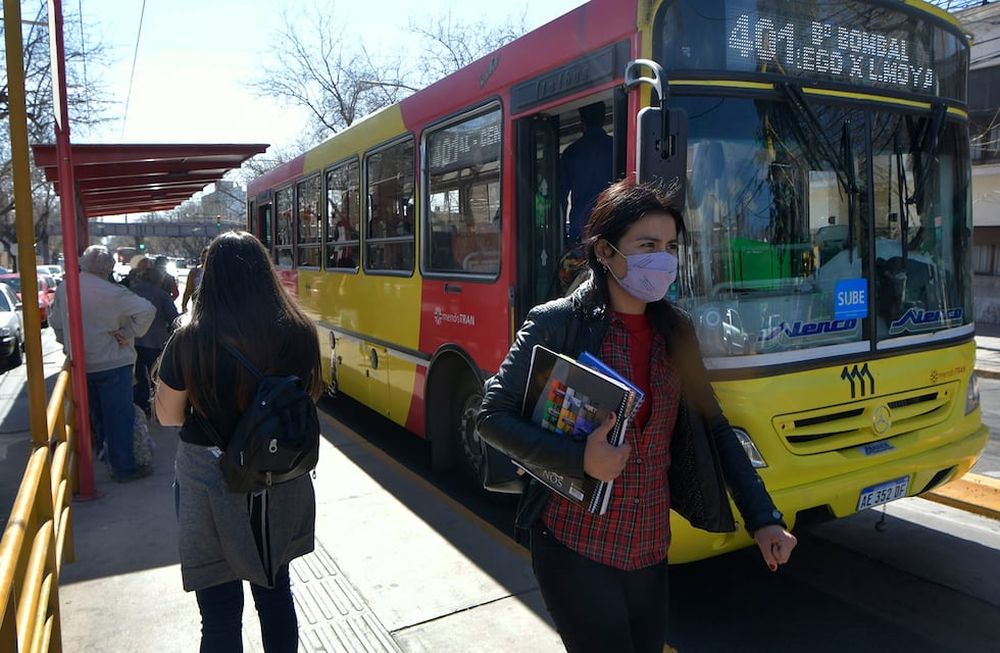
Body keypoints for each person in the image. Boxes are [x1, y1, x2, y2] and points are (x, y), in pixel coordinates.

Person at [477, 179, 797, 653]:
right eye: (647, 245)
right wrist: (578, 458)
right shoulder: (556, 322)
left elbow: (714, 426)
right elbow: (491, 416)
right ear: (605, 251)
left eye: (670, 247)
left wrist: (763, 517)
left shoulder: (677, 331)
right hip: (573, 545)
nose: (662, 259)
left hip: (649, 547)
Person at [154, 231, 322, 652]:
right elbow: (308, 397)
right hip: (276, 475)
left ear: (210, 277)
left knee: (220, 613)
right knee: (275, 591)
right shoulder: (299, 331)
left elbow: (169, 416)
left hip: (208, 481)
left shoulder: (190, 338)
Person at [50, 245, 156, 482]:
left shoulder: (65, 288)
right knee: (118, 417)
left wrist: (66, 342)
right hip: (113, 362)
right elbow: (147, 310)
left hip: (79, 364)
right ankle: (123, 468)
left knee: (96, 415)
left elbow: (56, 322)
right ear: (109, 268)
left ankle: (104, 455)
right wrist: (128, 332)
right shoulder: (114, 292)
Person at [560, 101, 613, 245]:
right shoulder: (616, 147)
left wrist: (563, 236)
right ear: (603, 119)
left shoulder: (571, 152)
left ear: (582, 122)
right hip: (612, 228)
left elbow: (561, 199)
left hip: (581, 230)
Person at [130, 262, 179, 417]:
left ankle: (141, 405)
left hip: (133, 341)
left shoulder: (131, 292)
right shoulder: (162, 296)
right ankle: (157, 408)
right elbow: (174, 318)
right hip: (156, 342)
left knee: (138, 376)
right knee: (157, 376)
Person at [181, 247, 209, 313]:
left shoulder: (216, 272)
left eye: (206, 257)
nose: (204, 259)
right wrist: (184, 305)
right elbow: (188, 290)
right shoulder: (194, 272)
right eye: (202, 257)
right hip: (197, 305)